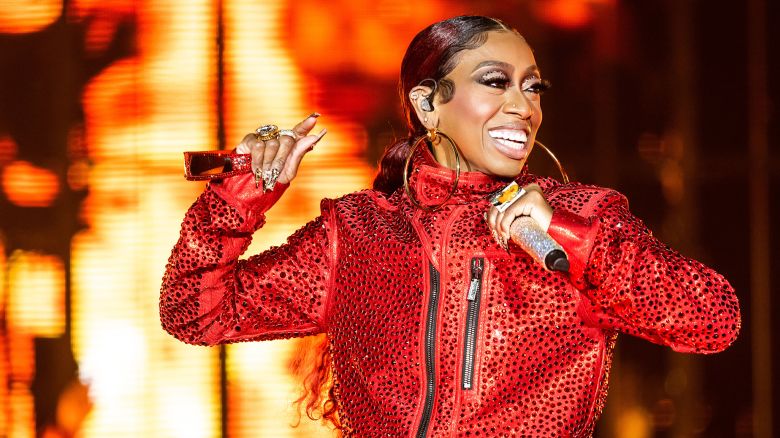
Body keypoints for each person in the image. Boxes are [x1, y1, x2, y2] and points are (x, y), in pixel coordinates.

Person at [160, 15, 740, 437]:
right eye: (496, 81)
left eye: (533, 86)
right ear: (429, 103)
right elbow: (195, 312)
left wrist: (569, 235)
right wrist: (241, 196)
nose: (524, 105)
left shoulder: (582, 216)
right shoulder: (358, 233)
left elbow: (712, 320)